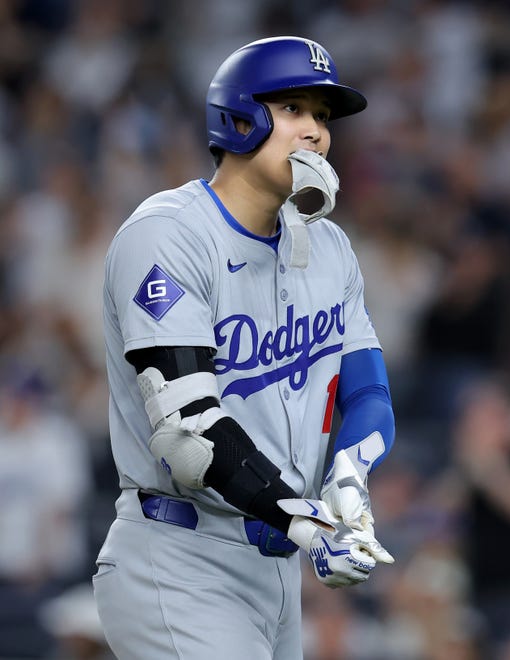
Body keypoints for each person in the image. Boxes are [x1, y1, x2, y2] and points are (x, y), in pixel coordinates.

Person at [93, 36, 395, 660]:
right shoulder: (168, 234)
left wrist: (348, 477)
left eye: (323, 116)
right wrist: (309, 524)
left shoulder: (330, 247)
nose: (315, 131)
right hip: (180, 560)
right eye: (293, 109)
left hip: (277, 566)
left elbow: (368, 393)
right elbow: (188, 433)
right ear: (238, 119)